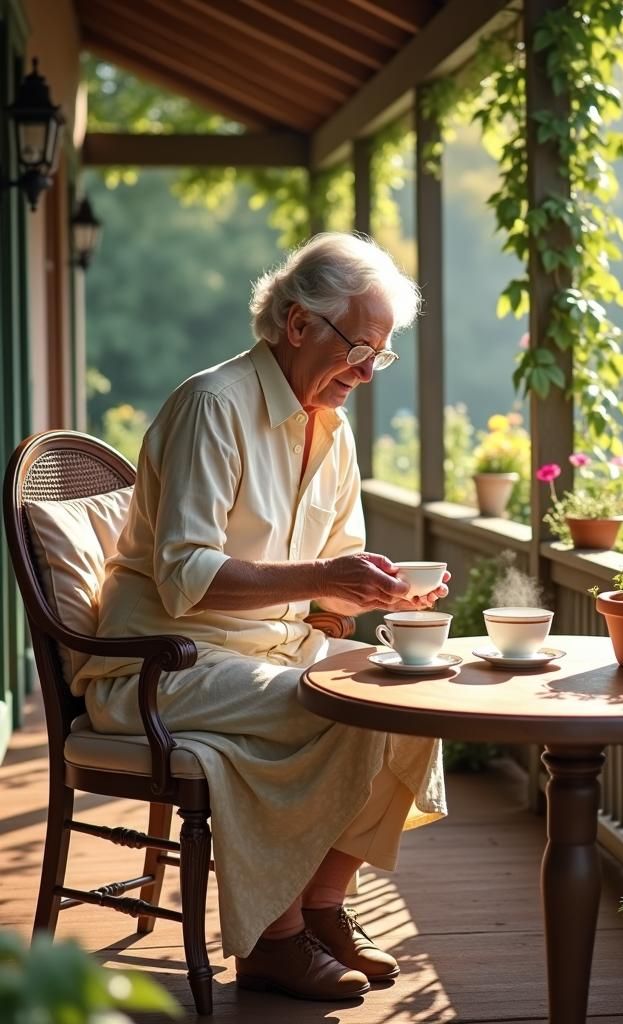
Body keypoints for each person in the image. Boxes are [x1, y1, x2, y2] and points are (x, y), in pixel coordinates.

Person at [73, 232, 449, 1001]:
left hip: (270, 654)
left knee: (416, 696)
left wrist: (376, 595)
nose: (369, 370)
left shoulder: (333, 431)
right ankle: (274, 942)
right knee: (339, 708)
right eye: (360, 346)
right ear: (298, 323)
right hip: (162, 666)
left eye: (383, 353)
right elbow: (184, 575)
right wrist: (323, 579)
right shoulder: (213, 404)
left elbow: (329, 581)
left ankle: (323, 907)